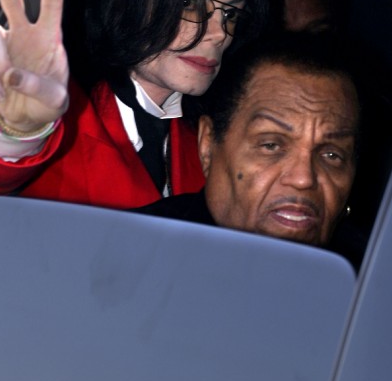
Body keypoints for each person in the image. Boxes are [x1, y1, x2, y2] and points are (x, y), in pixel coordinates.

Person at [0, 0, 267, 209]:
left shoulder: (208, 140)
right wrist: (18, 128)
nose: (218, 33)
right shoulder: (58, 115)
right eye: (189, 3)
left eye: (231, 15)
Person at [138, 32, 361, 253]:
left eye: (332, 155)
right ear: (207, 145)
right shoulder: (132, 251)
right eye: (271, 145)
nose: (303, 179)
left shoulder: (376, 275)